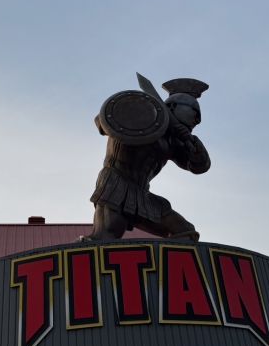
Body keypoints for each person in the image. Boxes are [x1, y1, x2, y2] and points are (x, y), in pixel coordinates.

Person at [83, 78, 210, 241]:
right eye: (195, 112)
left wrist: (193, 145)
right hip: (115, 186)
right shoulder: (141, 115)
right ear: (173, 107)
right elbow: (102, 121)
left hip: (143, 195)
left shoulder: (173, 141)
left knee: (185, 232)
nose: (197, 120)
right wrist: (139, 111)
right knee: (104, 239)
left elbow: (198, 166)